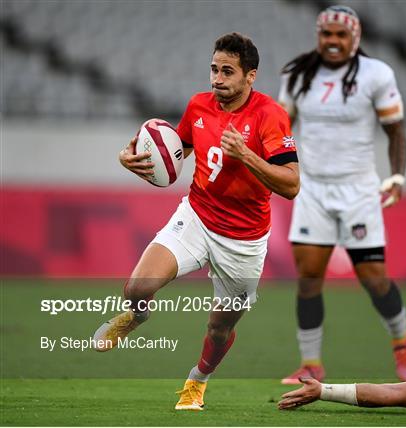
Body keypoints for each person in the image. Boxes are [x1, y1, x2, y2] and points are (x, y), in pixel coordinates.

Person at [92, 32, 299, 411]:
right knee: (136, 288)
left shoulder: (269, 115)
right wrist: (134, 157)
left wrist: (247, 156)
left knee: (220, 329)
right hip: (198, 216)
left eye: (228, 72)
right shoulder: (199, 106)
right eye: (214, 69)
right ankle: (136, 316)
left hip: (245, 240)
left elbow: (292, 184)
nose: (217, 79)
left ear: (250, 76)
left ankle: (197, 381)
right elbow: (177, 150)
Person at [278, 5, 406, 384]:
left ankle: (402, 340)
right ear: (318, 36)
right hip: (313, 189)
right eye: (327, 34)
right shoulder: (297, 74)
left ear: (355, 38)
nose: (334, 41)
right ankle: (311, 364)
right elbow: (280, 128)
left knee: (374, 278)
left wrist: (398, 176)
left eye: (342, 35)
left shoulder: (377, 74)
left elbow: (396, 131)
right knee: (308, 279)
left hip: (358, 189)